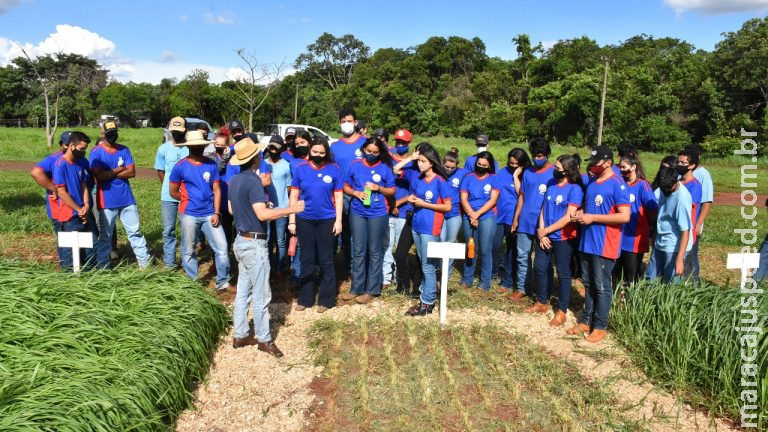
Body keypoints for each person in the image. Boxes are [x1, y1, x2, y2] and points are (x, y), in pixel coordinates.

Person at [228, 136, 305, 356]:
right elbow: (262, 214)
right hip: (254, 243)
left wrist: (261, 206)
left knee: (243, 291)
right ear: (255, 158)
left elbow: (233, 210)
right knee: (262, 294)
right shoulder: (254, 181)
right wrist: (292, 209)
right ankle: (264, 339)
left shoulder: (234, 181)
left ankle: (240, 334)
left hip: (240, 240)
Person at [568, 146, 630, 343]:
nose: (593, 166)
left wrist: (592, 217)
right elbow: (592, 206)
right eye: (592, 163)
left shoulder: (618, 184)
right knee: (588, 283)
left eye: (596, 163)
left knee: (602, 285)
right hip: (587, 241)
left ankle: (600, 325)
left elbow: (624, 216)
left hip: (605, 244)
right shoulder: (594, 181)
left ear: (608, 163)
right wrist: (581, 213)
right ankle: (586, 320)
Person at [169, 130, 235, 293]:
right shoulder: (180, 167)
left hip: (210, 214)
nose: (199, 147)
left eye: (201, 145)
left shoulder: (211, 164)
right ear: (189, 147)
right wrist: (186, 200)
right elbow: (173, 191)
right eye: (195, 145)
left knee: (222, 247)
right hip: (189, 214)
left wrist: (217, 212)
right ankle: (193, 283)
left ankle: (223, 282)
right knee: (189, 249)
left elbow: (217, 190)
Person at [527, 155, 584, 326]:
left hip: (563, 237)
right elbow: (544, 207)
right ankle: (542, 301)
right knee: (539, 267)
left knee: (563, 273)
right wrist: (542, 232)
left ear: (567, 170)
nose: (555, 169)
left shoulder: (575, 189)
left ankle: (562, 310)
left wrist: (548, 230)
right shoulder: (552, 183)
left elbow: (568, 217)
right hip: (546, 234)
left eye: (558, 167)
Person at [289, 139, 343, 312]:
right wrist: (292, 219)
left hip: (327, 219)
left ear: (326, 153)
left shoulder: (334, 169)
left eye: (321, 153)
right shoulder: (301, 169)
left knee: (326, 260)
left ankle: (326, 300)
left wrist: (339, 220)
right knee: (307, 259)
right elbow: (294, 196)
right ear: (310, 151)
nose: (318, 155)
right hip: (304, 219)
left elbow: (339, 197)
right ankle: (305, 298)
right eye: (315, 152)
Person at [90, 119, 151, 269]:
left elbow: (132, 172)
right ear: (103, 134)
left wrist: (109, 173)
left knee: (135, 232)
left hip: (127, 199)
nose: (113, 136)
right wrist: (118, 170)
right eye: (110, 133)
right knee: (106, 236)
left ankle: (145, 264)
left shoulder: (124, 149)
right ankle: (103, 267)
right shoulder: (96, 152)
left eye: (115, 133)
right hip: (106, 200)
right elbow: (100, 176)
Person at [341, 138, 396, 304]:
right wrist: (356, 193)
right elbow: (345, 185)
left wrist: (378, 188)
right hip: (357, 212)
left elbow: (392, 190)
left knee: (374, 250)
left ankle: (372, 289)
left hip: (378, 214)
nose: (371, 154)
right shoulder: (355, 165)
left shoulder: (385, 168)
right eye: (369, 151)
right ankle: (356, 288)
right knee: (358, 249)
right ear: (363, 149)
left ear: (380, 153)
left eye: (375, 152)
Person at [405, 143, 452, 316]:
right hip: (417, 224)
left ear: (431, 162)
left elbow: (447, 207)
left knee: (428, 266)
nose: (420, 164)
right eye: (419, 161)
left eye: (423, 161)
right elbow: (417, 198)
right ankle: (427, 294)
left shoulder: (440, 181)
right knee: (423, 261)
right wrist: (412, 199)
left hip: (430, 227)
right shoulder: (418, 178)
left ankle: (427, 302)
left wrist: (424, 204)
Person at [510, 137, 555, 301]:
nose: (538, 158)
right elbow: (521, 196)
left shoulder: (554, 173)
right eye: (535, 155)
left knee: (544, 260)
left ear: (548, 154)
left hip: (545, 224)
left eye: (541, 155)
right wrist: (516, 219)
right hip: (525, 221)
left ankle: (546, 290)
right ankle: (522, 288)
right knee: (522, 256)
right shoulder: (528, 172)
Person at [51, 131, 98, 271]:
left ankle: (89, 275)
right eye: (81, 149)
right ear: (71, 146)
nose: (83, 152)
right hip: (69, 215)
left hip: (84, 211)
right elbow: (62, 193)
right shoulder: (60, 165)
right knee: (70, 252)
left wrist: (87, 205)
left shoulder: (79, 164)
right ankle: (68, 279)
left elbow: (84, 185)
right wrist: (78, 209)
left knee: (92, 246)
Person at [31, 131, 92, 232]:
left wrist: (86, 205)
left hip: (82, 209)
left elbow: (85, 182)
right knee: (66, 244)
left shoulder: (80, 160)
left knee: (86, 243)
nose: (68, 147)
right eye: (66, 144)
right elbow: (36, 172)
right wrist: (54, 189)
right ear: (62, 145)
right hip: (64, 211)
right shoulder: (56, 161)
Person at [330, 108, 366, 274]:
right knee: (343, 232)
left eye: (349, 121)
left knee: (359, 233)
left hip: (361, 195)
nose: (346, 124)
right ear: (339, 124)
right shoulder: (335, 147)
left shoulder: (366, 143)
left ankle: (358, 268)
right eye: (343, 121)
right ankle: (346, 266)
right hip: (341, 195)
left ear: (356, 122)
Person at [459, 151, 500, 291]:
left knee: (485, 250)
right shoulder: (468, 177)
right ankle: (467, 279)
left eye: (484, 165)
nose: (481, 166)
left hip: (487, 215)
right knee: (471, 248)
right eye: (479, 164)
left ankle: (485, 282)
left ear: (489, 166)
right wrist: (471, 214)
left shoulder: (494, 178)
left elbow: (493, 200)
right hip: (469, 215)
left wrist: (476, 215)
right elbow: (463, 198)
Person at [615, 155, 658, 285]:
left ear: (634, 167)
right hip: (618, 235)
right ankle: (619, 296)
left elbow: (652, 209)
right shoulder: (620, 184)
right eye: (620, 167)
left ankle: (632, 299)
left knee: (631, 272)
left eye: (624, 167)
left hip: (634, 237)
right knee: (617, 271)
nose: (621, 170)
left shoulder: (642, 185)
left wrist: (648, 226)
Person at [392, 141, 427, 297]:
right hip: (411, 216)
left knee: (421, 256)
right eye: (418, 157)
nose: (420, 161)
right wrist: (410, 159)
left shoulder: (435, 176)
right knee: (400, 253)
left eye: (423, 158)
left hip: (426, 218)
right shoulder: (412, 171)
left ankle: (417, 288)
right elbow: (395, 169)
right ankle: (403, 285)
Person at [646, 167, 692, 284]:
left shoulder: (681, 199)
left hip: (674, 246)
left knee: (670, 282)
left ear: (676, 181)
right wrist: (655, 235)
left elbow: (685, 231)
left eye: (668, 189)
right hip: (660, 240)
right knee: (650, 278)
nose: (665, 192)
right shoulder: (664, 187)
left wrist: (679, 259)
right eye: (663, 189)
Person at [154, 117, 189, 269]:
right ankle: (170, 262)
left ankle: (188, 261)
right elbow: (160, 171)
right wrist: (170, 188)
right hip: (168, 197)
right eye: (174, 132)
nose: (176, 134)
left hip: (187, 196)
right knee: (168, 229)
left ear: (185, 131)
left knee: (187, 229)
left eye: (179, 132)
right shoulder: (163, 149)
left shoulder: (189, 148)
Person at [492, 148, 529, 290]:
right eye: (511, 163)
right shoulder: (502, 172)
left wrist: (516, 176)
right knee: (494, 246)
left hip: (514, 217)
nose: (512, 166)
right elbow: (495, 192)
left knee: (511, 249)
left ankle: (508, 280)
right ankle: (493, 273)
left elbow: (522, 194)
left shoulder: (526, 175)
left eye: (516, 164)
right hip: (499, 215)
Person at [383, 128, 412, 286]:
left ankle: (401, 277)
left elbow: (415, 189)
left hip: (404, 210)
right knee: (386, 245)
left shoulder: (414, 163)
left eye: (404, 143)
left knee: (401, 249)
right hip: (388, 207)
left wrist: (398, 204)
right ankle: (386, 277)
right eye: (398, 142)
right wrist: (392, 204)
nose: (400, 145)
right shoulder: (389, 160)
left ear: (409, 143)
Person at [684, 144, 713, 284]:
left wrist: (699, 223)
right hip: (682, 222)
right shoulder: (682, 171)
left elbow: (707, 201)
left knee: (692, 255)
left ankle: (693, 284)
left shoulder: (703, 174)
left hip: (694, 222)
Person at [265, 134, 293, 277]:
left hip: (281, 208)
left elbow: (289, 188)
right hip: (266, 209)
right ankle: (268, 266)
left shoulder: (286, 165)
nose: (273, 150)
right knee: (268, 240)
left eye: (276, 148)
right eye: (271, 147)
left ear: (281, 149)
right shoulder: (263, 164)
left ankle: (281, 267)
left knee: (281, 240)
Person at [646, 155, 677, 280]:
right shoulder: (657, 187)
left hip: (670, 236)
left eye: (667, 169)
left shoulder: (677, 193)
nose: (663, 172)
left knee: (669, 273)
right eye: (662, 168)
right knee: (652, 270)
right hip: (657, 230)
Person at [440, 147, 468, 273]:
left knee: (451, 241)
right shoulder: (437, 172)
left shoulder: (463, 173)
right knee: (440, 240)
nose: (449, 170)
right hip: (440, 212)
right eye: (447, 166)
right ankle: (439, 268)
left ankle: (448, 269)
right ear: (442, 164)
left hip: (455, 213)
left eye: (452, 168)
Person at [677, 148, 702, 282]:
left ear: (691, 165)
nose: (679, 165)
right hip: (674, 230)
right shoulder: (677, 181)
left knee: (686, 269)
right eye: (678, 162)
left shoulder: (695, 186)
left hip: (686, 232)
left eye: (682, 163)